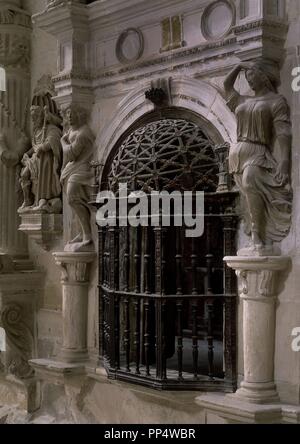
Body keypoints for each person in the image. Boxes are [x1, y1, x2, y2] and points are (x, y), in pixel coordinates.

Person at [224, 59, 293, 254]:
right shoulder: (242, 100)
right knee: (247, 197)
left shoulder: (276, 101)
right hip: (238, 154)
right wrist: (238, 66)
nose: (249, 80)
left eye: (252, 75)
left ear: (263, 76)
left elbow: (283, 132)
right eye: (247, 77)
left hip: (258, 151)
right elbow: (227, 85)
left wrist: (285, 160)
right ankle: (256, 234)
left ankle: (257, 236)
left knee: (250, 180)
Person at [60, 104, 95, 251]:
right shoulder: (73, 131)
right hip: (74, 168)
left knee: (73, 198)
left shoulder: (83, 133)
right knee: (75, 202)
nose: (69, 117)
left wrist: (62, 141)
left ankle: (87, 235)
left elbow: (71, 154)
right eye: (67, 114)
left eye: (72, 113)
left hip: (82, 170)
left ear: (80, 115)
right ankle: (82, 233)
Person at [19, 105, 62, 214]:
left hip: (45, 161)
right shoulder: (36, 131)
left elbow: (55, 138)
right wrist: (27, 153)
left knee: (42, 177)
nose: (33, 119)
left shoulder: (50, 128)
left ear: (42, 117)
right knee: (24, 174)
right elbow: (34, 147)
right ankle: (28, 200)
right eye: (32, 117)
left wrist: (43, 147)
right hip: (34, 160)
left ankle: (43, 199)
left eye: (36, 116)